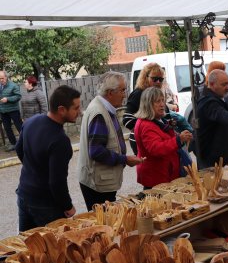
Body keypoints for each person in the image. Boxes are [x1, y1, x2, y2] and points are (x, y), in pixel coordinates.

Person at [15, 85, 81, 231]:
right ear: (62, 109)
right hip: (45, 204)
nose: (80, 112)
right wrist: (68, 206)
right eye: (76, 108)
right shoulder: (60, 140)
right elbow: (57, 182)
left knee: (27, 247)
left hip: (24, 195)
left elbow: (19, 149)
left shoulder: (31, 122)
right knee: (56, 249)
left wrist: (33, 169)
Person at [78, 71, 145, 211]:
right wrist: (124, 159)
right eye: (122, 90)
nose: (125, 94)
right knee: (104, 223)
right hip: (98, 183)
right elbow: (96, 151)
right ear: (110, 93)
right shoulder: (99, 113)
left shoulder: (104, 108)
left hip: (100, 180)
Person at [135, 87, 193, 189]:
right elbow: (156, 149)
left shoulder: (158, 120)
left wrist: (181, 137)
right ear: (148, 104)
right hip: (156, 178)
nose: (162, 104)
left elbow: (166, 139)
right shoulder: (146, 125)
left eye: (162, 100)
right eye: (157, 101)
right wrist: (178, 140)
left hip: (164, 174)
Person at [0, 70, 23, 152]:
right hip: (3, 111)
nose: (1, 80)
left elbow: (18, 96)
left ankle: (26, 142)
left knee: (19, 127)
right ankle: (13, 144)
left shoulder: (13, 85)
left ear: (6, 77)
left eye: (2, 78)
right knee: (7, 128)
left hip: (13, 110)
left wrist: (8, 99)